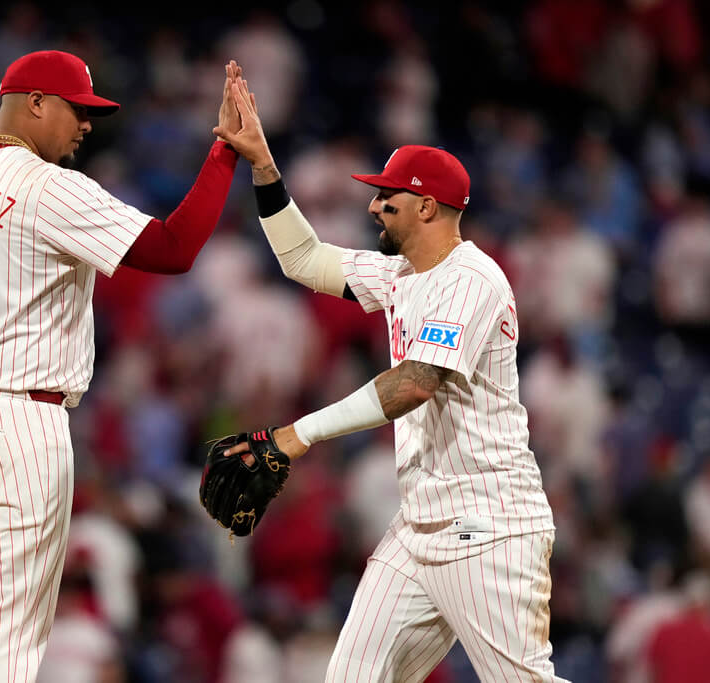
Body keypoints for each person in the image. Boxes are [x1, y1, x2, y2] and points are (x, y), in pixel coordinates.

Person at [0, 51, 243, 682]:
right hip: (17, 420)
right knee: (10, 623)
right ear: (35, 104)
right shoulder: (45, 184)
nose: (86, 125)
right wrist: (224, 155)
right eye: (78, 110)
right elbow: (172, 249)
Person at [214, 75, 566, 681]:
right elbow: (303, 259)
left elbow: (413, 384)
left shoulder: (470, 278)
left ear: (427, 206)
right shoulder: (402, 272)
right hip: (419, 525)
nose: (374, 204)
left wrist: (294, 435)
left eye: (388, 196)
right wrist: (264, 166)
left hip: (487, 524)